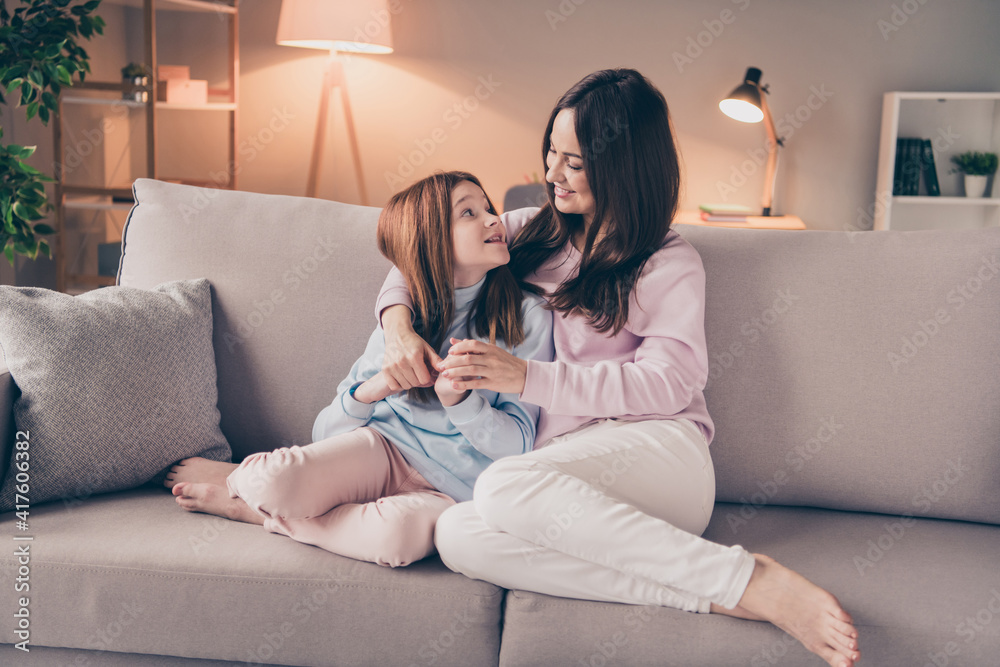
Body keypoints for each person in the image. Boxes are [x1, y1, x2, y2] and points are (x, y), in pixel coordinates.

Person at [375, 70, 860, 666]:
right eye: (551, 151)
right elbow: (420, 250)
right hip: (559, 477)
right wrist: (397, 325)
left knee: (501, 485)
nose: (551, 172)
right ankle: (723, 592)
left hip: (661, 453)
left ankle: (749, 577)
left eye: (573, 161)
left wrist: (528, 380)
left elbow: (670, 382)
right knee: (457, 535)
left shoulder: (666, 262)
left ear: (623, 166)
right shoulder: (529, 233)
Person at [165, 171, 553, 568]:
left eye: (488, 208)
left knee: (395, 541)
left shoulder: (529, 317)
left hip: (450, 489)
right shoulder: (401, 322)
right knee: (268, 481)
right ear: (431, 239)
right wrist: (376, 387)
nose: (494, 219)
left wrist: (463, 403)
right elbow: (325, 433)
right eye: (470, 213)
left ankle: (253, 512)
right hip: (381, 448)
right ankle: (250, 487)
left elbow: (520, 444)